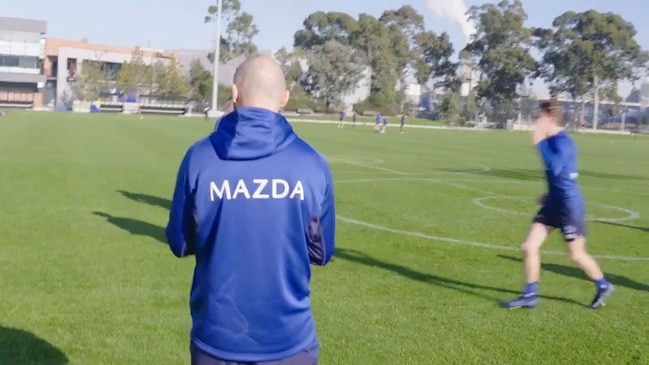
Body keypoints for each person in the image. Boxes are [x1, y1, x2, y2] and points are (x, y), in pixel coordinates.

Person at [166, 55, 336, 365]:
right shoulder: (312, 163)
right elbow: (321, 252)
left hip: (217, 343)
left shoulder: (199, 158)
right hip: (291, 344)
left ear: (234, 92)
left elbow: (180, 243)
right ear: (284, 98)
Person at [502, 100, 614, 310]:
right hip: (554, 203)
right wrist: (549, 195)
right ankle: (530, 295)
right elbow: (561, 175)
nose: (536, 120)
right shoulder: (553, 140)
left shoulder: (563, 142)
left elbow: (554, 167)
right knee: (529, 246)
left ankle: (603, 284)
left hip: (568, 207)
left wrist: (538, 142)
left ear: (550, 119)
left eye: (540, 116)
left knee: (575, 255)